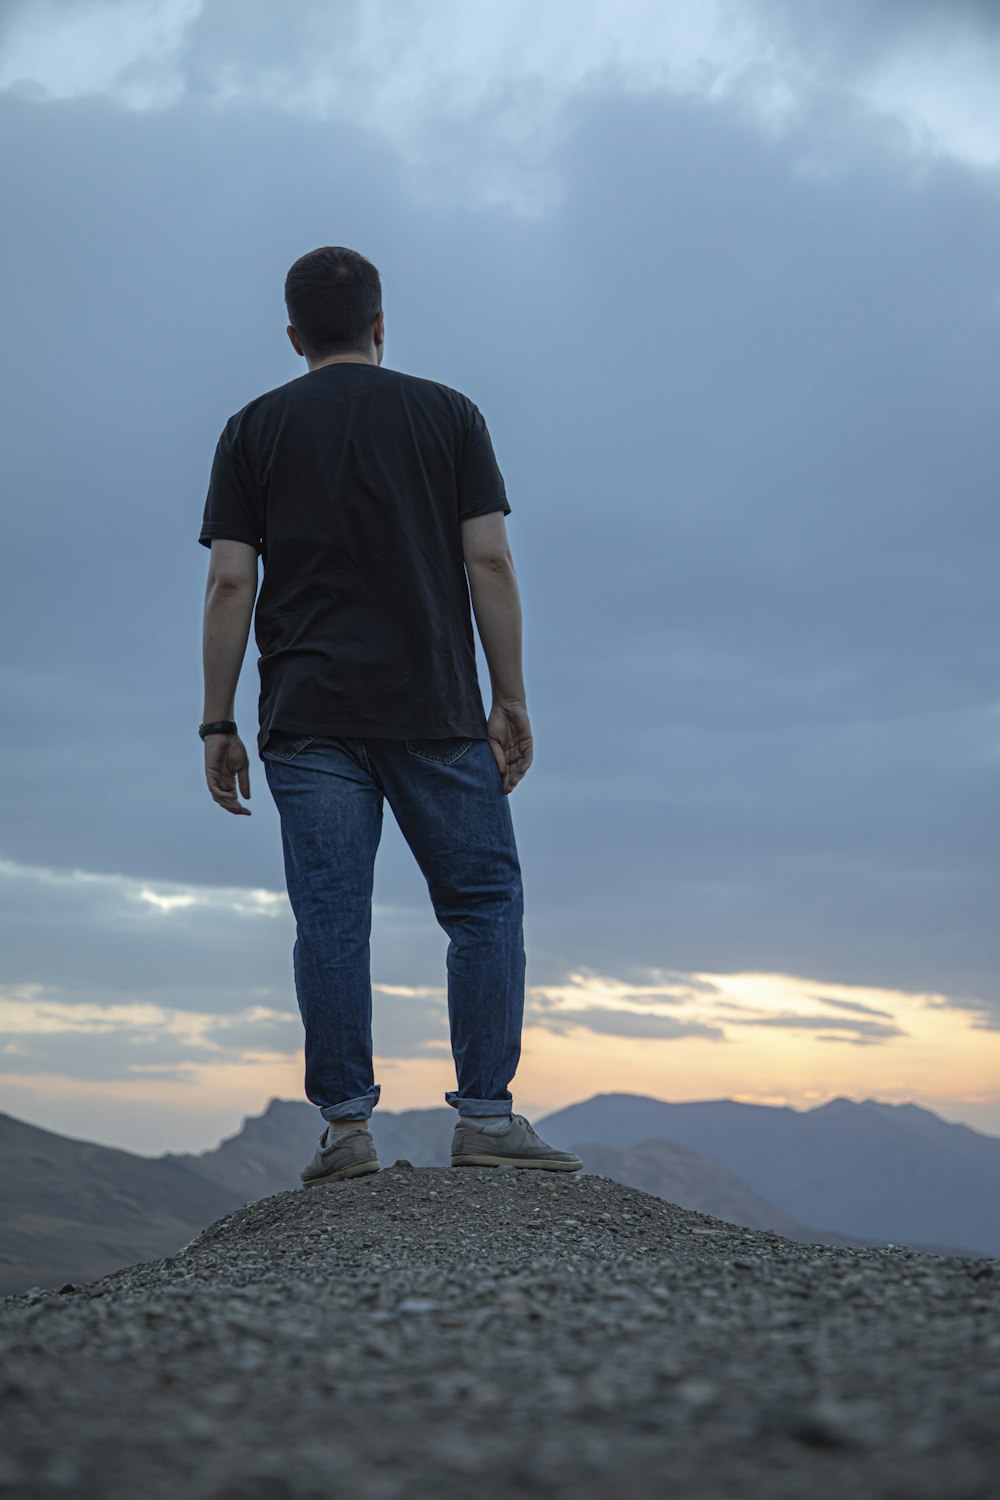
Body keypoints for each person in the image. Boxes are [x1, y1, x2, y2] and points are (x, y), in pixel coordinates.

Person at [198, 245, 581, 1185]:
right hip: (437, 710)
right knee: (483, 904)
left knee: (331, 919)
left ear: (294, 336)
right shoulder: (450, 415)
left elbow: (229, 581)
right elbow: (489, 563)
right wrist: (512, 695)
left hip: (307, 714)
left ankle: (345, 1132)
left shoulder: (252, 429)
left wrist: (217, 721)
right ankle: (486, 1115)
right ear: (380, 323)